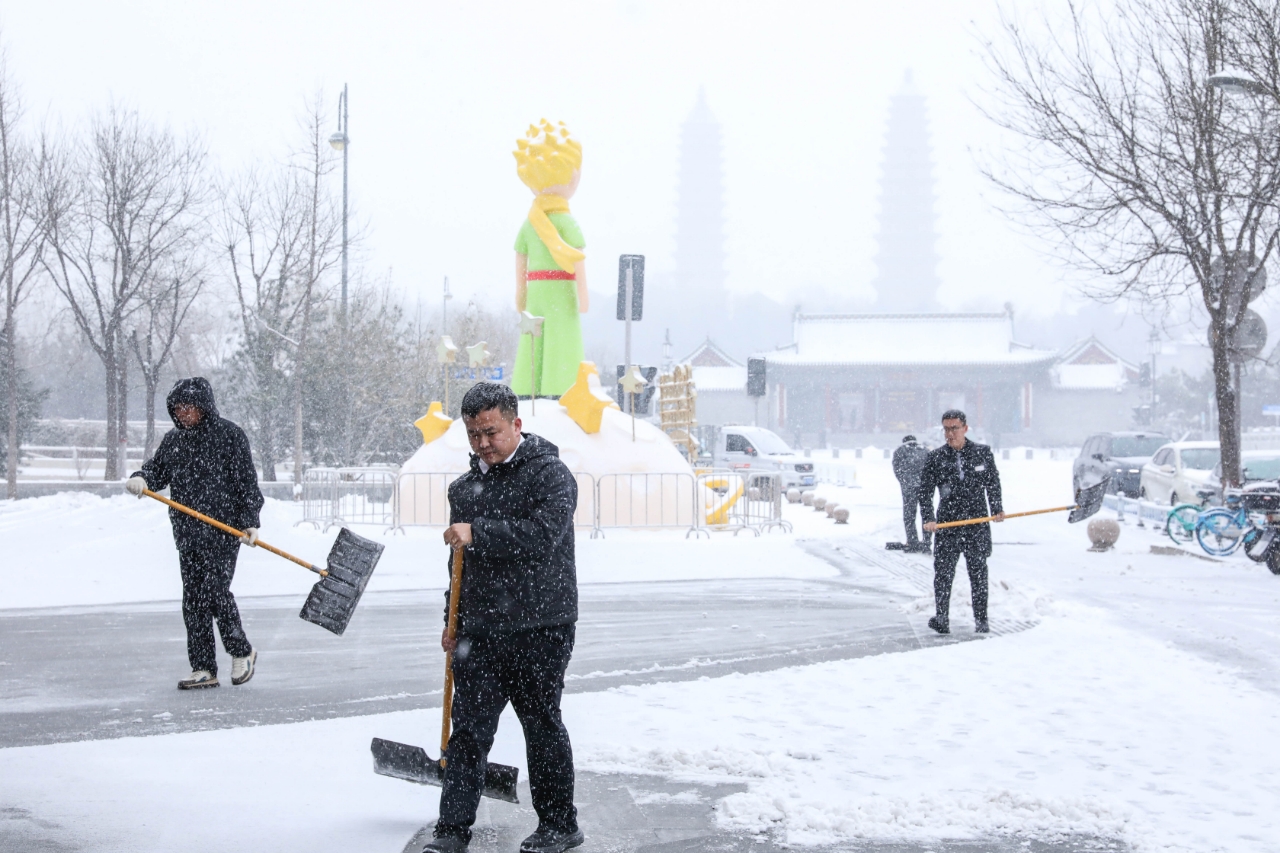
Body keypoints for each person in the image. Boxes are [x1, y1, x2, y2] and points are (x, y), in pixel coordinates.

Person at [427, 382, 582, 853]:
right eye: (474, 434)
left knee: (541, 725)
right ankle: (451, 830)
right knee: (468, 730)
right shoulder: (465, 488)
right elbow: (459, 563)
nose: (482, 443)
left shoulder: (551, 476)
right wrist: (450, 619)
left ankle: (559, 825)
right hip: (479, 629)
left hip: (541, 626)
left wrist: (479, 531)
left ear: (515, 424)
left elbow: (542, 536)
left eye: (491, 432)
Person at [124, 377, 263, 689]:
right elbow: (156, 470)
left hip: (224, 531)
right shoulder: (174, 441)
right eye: (178, 407)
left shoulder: (230, 436)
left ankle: (242, 651)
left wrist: (250, 521)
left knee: (215, 592)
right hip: (188, 533)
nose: (184, 412)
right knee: (194, 601)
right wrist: (141, 478)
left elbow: (247, 484)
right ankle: (203, 667)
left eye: (190, 406)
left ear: (204, 407)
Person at [511, 119, 589, 399]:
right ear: (572, 175)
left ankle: (527, 385)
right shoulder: (567, 222)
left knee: (533, 338)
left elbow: (520, 260)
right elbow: (578, 260)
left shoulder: (530, 223)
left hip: (536, 291)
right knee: (562, 336)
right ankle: (562, 385)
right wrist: (583, 294)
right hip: (562, 289)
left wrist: (520, 294)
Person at [919, 410, 1004, 635]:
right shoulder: (935, 457)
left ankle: (981, 620)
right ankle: (942, 617)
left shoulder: (982, 453)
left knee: (978, 573)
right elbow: (925, 491)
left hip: (977, 523)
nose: (950, 433)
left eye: (954, 428)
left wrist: (997, 508)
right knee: (943, 573)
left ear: (965, 428)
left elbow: (993, 483)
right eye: (946, 428)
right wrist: (928, 518)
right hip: (948, 524)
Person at [892, 435, 931, 553]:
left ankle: (912, 542)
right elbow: (931, 469)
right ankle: (926, 543)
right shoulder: (925, 450)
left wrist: (905, 482)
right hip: (925, 487)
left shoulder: (900, 451)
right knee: (927, 514)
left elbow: (897, 469)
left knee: (909, 515)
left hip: (908, 488)